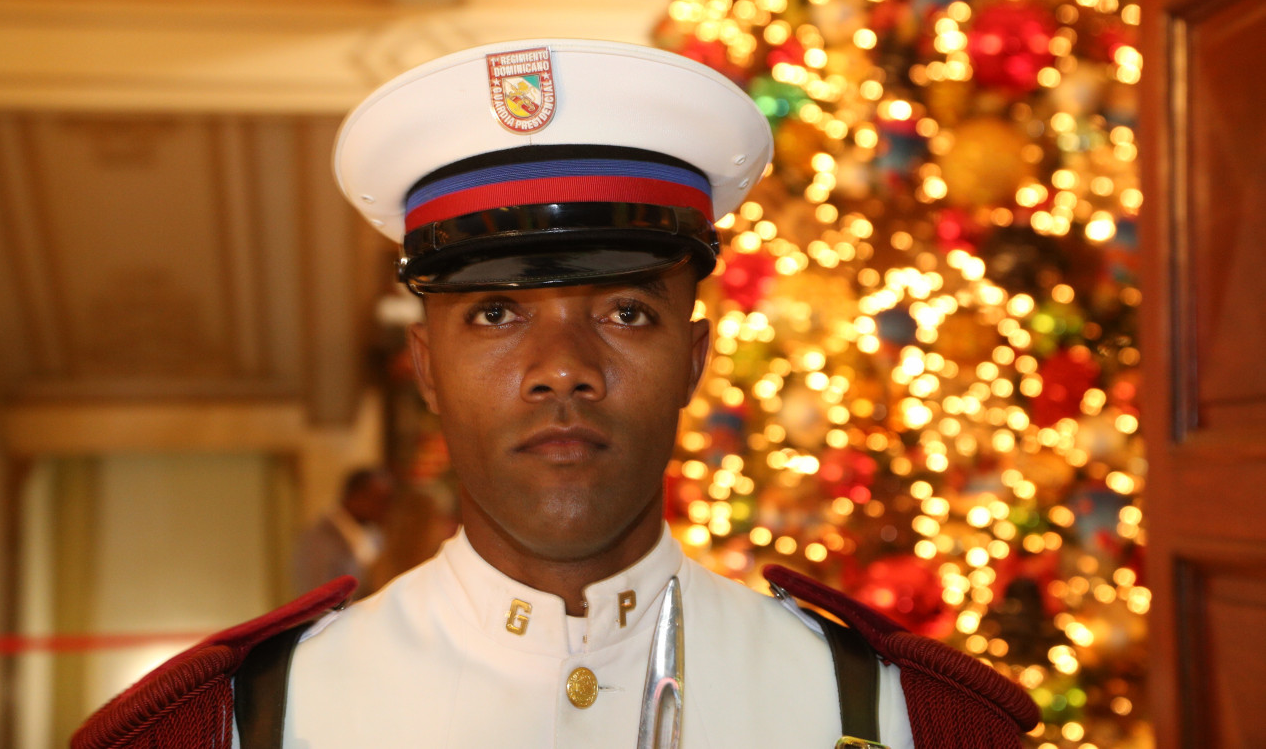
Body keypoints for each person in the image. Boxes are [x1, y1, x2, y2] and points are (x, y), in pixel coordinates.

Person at [74, 39, 1037, 749]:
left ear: (694, 359)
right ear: (426, 369)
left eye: (625, 311)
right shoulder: (239, 724)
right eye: (496, 313)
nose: (563, 365)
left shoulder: (898, 715)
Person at [290, 466, 393, 598]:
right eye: (378, 501)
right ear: (356, 496)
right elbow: (316, 595)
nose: (385, 509)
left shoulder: (375, 534)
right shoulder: (319, 537)